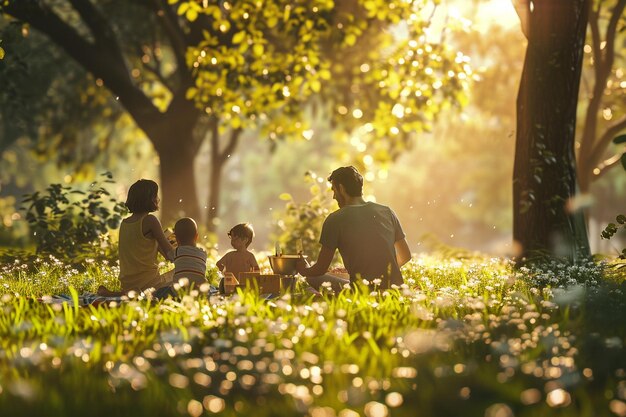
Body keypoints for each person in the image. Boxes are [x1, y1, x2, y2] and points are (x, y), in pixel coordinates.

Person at [296, 166, 411, 292]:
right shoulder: (387, 211)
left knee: (313, 279)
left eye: (334, 190)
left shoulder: (335, 219)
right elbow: (405, 255)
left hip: (363, 292)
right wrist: (383, 273)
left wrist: (303, 268)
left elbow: (320, 269)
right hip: (396, 290)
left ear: (341, 188)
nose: (334, 197)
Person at [98, 179, 175, 296]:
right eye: (156, 195)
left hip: (128, 283)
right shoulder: (150, 220)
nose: (158, 199)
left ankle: (125, 293)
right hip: (149, 282)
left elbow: (148, 249)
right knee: (184, 275)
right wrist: (184, 251)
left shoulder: (125, 223)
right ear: (150, 199)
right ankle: (132, 293)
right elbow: (170, 252)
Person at [171, 217, 207, 287]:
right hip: (200, 290)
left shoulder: (177, 251)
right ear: (196, 236)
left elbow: (169, 256)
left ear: (177, 239)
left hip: (179, 290)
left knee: (160, 291)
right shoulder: (203, 253)